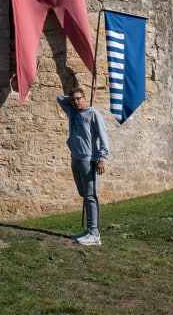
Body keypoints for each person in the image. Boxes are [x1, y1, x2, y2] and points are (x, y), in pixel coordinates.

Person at [58, 87, 110, 246]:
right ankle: (88, 230)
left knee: (90, 195)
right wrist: (72, 99)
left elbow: (104, 138)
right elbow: (60, 98)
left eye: (79, 98)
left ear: (85, 98)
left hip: (89, 160)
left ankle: (94, 233)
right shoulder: (72, 111)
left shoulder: (93, 114)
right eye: (73, 99)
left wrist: (102, 158)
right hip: (75, 159)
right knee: (84, 194)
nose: (75, 102)